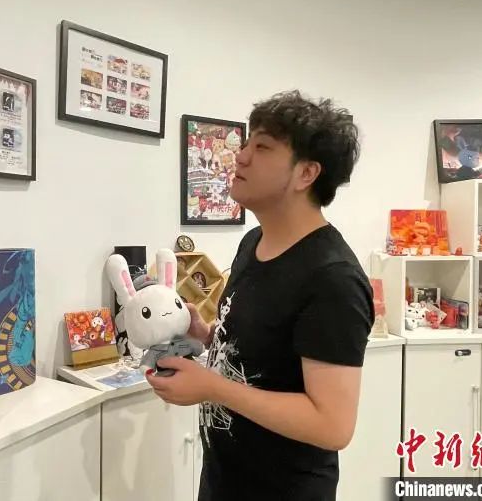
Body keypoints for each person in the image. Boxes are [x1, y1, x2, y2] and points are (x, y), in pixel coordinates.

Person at [146, 90, 374, 500]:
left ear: (307, 174)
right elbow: (263, 357)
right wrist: (206, 337)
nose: (241, 156)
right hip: (224, 482)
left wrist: (212, 388)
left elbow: (333, 425)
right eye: (247, 143)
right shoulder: (253, 242)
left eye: (263, 147)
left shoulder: (333, 279)